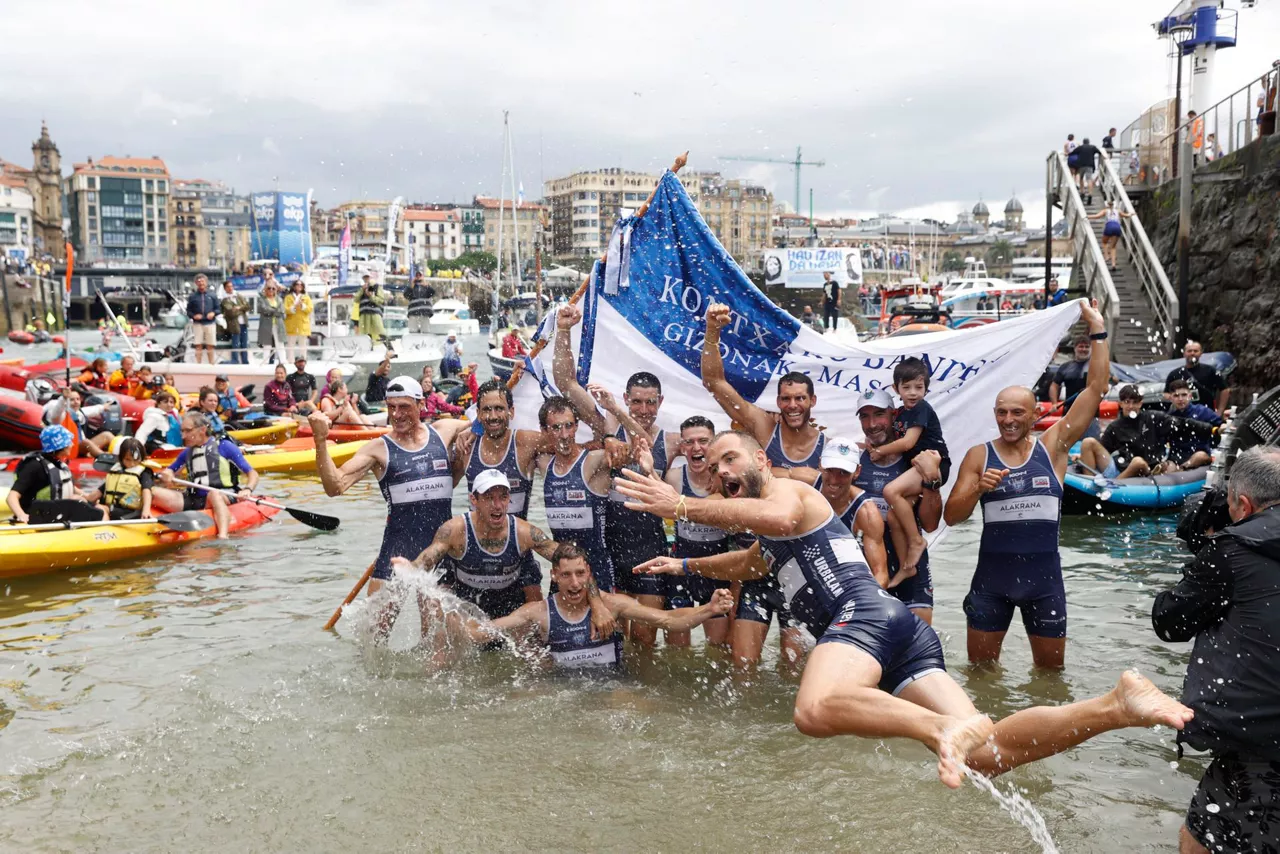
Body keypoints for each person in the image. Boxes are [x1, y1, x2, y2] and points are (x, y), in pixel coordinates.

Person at [619, 429, 1193, 787]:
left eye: (729, 459)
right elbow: (751, 562)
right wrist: (685, 567)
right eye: (714, 468)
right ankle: (1117, 706)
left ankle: (943, 728)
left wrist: (682, 506)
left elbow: (781, 518)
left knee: (813, 711)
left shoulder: (790, 492)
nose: (720, 472)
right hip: (893, 630)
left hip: (862, 616)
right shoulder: (769, 527)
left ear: (761, 462)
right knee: (987, 754)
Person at [945, 301, 1109, 668]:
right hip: (991, 585)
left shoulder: (1053, 447)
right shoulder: (979, 455)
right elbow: (951, 516)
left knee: (1051, 679)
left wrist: (1097, 329)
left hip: (1044, 586)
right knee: (980, 676)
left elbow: (1096, 388)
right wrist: (978, 489)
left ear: (1034, 415)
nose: (1009, 419)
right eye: (1002, 412)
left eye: (1018, 412)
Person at [1152, 446, 1280, 854]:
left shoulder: (1233, 550)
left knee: (1198, 843)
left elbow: (1169, 622)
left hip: (1263, 742)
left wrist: (1208, 548)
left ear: (1243, 504)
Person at [551, 303, 682, 644]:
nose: (643, 409)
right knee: (614, 640)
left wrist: (618, 412)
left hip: (651, 548)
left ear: (661, 402)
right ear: (626, 398)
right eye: (636, 402)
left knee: (646, 640)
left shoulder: (671, 442)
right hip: (611, 551)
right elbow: (566, 383)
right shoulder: (605, 429)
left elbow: (707, 452)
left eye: (650, 403)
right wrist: (563, 331)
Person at [701, 300, 819, 663]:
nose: (793, 405)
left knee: (792, 667)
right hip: (757, 564)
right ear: (778, 402)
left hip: (800, 568)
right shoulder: (765, 429)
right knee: (742, 665)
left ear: (812, 401)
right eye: (786, 399)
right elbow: (715, 383)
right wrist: (713, 332)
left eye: (800, 398)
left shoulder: (828, 448)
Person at [421, 543, 729, 672]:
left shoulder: (612, 605)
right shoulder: (538, 612)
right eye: (566, 575)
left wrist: (708, 609)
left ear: (589, 573)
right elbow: (481, 633)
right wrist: (443, 609)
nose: (575, 583)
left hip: (611, 686)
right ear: (554, 576)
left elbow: (668, 621)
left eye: (580, 574)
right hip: (562, 689)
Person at [310, 376, 469, 593]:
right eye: (391, 407)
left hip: (441, 546)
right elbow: (334, 487)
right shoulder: (378, 449)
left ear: (421, 404)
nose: (396, 414)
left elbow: (485, 422)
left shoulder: (444, 431)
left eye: (404, 407)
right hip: (397, 547)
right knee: (376, 617)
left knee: (436, 616)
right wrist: (320, 441)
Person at [390, 470, 553, 619]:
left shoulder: (524, 532)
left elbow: (561, 555)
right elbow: (429, 557)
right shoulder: (454, 530)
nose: (497, 505)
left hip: (510, 599)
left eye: (503, 497)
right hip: (467, 597)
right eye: (489, 498)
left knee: (536, 615)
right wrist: (412, 567)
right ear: (474, 500)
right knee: (436, 606)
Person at [852, 390, 944, 625]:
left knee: (919, 641)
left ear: (894, 415)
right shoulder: (853, 459)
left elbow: (931, 525)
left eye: (879, 414)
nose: (872, 424)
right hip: (866, 564)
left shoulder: (915, 459)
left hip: (909, 560)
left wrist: (932, 483)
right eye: (864, 416)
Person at [661, 416, 736, 650]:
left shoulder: (728, 479)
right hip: (680, 568)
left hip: (716, 569)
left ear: (714, 444)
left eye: (703, 441)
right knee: (677, 653)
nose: (696, 448)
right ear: (682, 448)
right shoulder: (674, 477)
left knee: (718, 651)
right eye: (689, 442)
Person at [535, 395, 622, 595]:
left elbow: (643, 447)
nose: (564, 435)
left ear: (576, 426)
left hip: (596, 570)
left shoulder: (596, 460)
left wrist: (609, 436)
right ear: (544, 431)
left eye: (569, 426)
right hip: (562, 572)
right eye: (556, 428)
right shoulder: (543, 463)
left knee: (605, 617)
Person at [876, 357, 950, 576]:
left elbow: (908, 443)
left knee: (890, 491)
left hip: (934, 464)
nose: (913, 393)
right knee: (894, 516)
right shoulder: (901, 412)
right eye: (906, 387)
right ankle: (905, 567)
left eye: (919, 387)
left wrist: (880, 451)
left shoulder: (921, 408)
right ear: (895, 388)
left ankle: (917, 541)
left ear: (926, 388)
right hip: (916, 468)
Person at [1078, 383, 1217, 479]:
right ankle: (1088, 483)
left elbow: (1183, 424)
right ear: (1120, 404)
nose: (1130, 406)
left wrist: (1212, 429)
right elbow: (1103, 448)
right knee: (1088, 442)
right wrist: (1082, 456)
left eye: (1134, 402)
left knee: (1137, 462)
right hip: (1120, 469)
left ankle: (1115, 485)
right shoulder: (1115, 427)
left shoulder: (1154, 418)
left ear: (1140, 403)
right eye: (1127, 402)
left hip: (1146, 469)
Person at [155, 412, 258, 539]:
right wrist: (167, 474)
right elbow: (170, 470)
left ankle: (223, 537)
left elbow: (252, 473)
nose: (183, 436)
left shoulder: (225, 446)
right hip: (194, 499)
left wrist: (247, 489)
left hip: (223, 494)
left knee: (213, 494)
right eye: (182, 431)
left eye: (188, 431)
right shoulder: (186, 453)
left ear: (202, 430)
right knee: (153, 492)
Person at [817, 437, 890, 587]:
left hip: (847, 582)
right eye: (829, 470)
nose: (834, 479)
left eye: (843, 472)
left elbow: (881, 574)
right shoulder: (803, 483)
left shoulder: (867, 514)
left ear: (857, 471)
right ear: (820, 464)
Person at [4, 425, 98, 523]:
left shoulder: (58, 463)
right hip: (36, 515)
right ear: (61, 446)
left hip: (53, 512)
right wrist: (22, 515)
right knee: (85, 505)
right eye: (69, 442)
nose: (72, 445)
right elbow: (12, 497)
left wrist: (87, 496)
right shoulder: (34, 466)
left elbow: (68, 486)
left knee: (83, 501)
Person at [89, 438, 155, 520]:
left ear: (141, 458)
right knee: (93, 505)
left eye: (136, 460)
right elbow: (98, 492)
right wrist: (83, 499)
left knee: (100, 509)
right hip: (112, 508)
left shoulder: (144, 472)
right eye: (127, 459)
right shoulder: (116, 471)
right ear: (121, 458)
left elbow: (147, 491)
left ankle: (103, 526)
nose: (132, 464)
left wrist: (146, 510)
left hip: (130, 512)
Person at [1165, 379, 1222, 471]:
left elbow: (1221, 426)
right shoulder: (1168, 417)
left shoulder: (1202, 411)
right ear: (1171, 398)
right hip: (1176, 457)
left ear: (1190, 396)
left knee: (1200, 456)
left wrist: (1222, 428)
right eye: (1176, 396)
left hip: (1199, 454)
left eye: (1184, 395)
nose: (1180, 399)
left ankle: (1182, 470)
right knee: (1169, 467)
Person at [42, 387, 114, 459]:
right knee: (86, 442)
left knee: (107, 435)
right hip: (69, 448)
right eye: (72, 400)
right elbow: (57, 412)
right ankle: (106, 458)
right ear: (66, 402)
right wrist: (64, 398)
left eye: (78, 399)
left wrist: (103, 407)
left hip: (81, 447)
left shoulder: (79, 413)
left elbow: (91, 410)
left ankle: (120, 450)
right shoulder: (60, 416)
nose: (76, 402)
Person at [1165, 339, 1229, 415]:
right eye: (1189, 351)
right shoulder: (1174, 373)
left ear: (1201, 353)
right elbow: (1166, 394)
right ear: (1184, 353)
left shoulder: (1211, 371)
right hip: (1181, 416)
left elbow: (1225, 390)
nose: (1192, 353)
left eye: (1195, 351)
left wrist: (1220, 411)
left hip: (1206, 415)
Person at [1048, 336, 1094, 406]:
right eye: (1081, 346)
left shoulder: (1095, 366)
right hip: (1070, 407)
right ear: (1075, 348)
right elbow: (1054, 386)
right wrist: (1054, 403)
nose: (1084, 349)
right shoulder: (1065, 367)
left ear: (1091, 349)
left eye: (1087, 347)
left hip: (1090, 408)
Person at [1089, 200, 1132, 270]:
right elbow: (1126, 215)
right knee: (1113, 247)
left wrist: (1087, 216)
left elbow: (1097, 216)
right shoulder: (1118, 211)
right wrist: (1131, 214)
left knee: (1104, 242)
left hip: (1109, 226)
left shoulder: (1105, 211)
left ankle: (1106, 256)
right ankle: (1113, 264)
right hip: (1117, 227)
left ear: (1107, 205)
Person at [186, 274, 219, 365]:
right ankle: (198, 365)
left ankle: (212, 365)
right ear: (196, 283)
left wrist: (213, 313)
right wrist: (194, 316)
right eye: (199, 281)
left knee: (210, 345)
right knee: (198, 345)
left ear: (206, 282)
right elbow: (188, 311)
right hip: (198, 324)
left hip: (210, 323)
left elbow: (218, 309)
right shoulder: (192, 296)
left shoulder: (213, 295)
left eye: (203, 281)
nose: (201, 283)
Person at [256, 275, 286, 362]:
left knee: (280, 343)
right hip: (266, 324)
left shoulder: (279, 299)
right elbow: (263, 309)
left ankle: (283, 361)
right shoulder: (261, 299)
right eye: (269, 288)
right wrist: (275, 310)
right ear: (265, 289)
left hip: (278, 324)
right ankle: (265, 362)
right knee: (267, 344)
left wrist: (271, 311)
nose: (271, 290)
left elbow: (282, 311)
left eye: (273, 288)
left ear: (276, 289)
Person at [221, 280, 251, 365]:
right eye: (228, 287)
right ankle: (235, 360)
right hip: (234, 325)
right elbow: (231, 312)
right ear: (225, 289)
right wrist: (242, 309)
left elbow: (248, 306)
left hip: (243, 323)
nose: (230, 288)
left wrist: (238, 308)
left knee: (244, 343)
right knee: (235, 343)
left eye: (231, 286)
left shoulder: (239, 296)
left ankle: (245, 361)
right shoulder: (225, 300)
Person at [283, 279, 313, 363]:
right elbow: (285, 309)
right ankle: (290, 361)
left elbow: (310, 309)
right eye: (297, 284)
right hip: (291, 323)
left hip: (302, 324)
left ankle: (303, 361)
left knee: (303, 344)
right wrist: (293, 307)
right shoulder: (288, 297)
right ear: (294, 286)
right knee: (290, 344)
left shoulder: (306, 297)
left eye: (301, 285)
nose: (299, 286)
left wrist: (302, 305)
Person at [357, 275, 387, 343]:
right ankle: (369, 348)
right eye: (364, 277)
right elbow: (356, 299)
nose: (366, 279)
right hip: (364, 314)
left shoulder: (376, 286)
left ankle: (389, 347)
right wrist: (362, 290)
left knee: (380, 332)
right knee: (365, 335)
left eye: (367, 277)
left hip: (375, 313)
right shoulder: (361, 288)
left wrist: (371, 296)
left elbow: (381, 300)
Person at [1073, 137, 1102, 204]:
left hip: (1081, 165)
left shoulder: (1080, 147)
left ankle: (1082, 192)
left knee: (1081, 179)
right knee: (1089, 179)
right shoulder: (1093, 147)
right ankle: (1090, 194)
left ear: (1083, 142)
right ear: (1089, 142)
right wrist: (1105, 157)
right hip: (1090, 165)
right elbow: (1100, 152)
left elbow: (1072, 153)